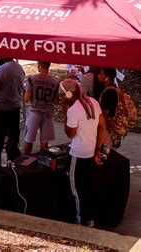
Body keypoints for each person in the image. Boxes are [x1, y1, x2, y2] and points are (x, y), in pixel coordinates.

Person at [59, 78, 106, 227]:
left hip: (78, 156)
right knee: (89, 188)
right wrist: (98, 149)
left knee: (76, 191)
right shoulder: (93, 101)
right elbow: (103, 126)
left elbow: (70, 134)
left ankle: (80, 222)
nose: (60, 98)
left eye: (61, 95)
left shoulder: (73, 110)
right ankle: (90, 219)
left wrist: (65, 112)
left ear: (68, 95)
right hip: (91, 153)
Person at [0, 58, 24, 158]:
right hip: (14, 105)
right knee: (13, 130)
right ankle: (13, 151)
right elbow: (22, 84)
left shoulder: (1, 69)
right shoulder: (19, 68)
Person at [23, 62, 59, 155]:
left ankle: (25, 160)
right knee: (44, 140)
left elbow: (26, 99)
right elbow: (56, 101)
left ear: (39, 66)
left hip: (34, 112)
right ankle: (42, 162)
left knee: (29, 139)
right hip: (48, 113)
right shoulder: (55, 82)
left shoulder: (32, 79)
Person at [98, 68, 119, 148]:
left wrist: (100, 130)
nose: (98, 76)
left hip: (108, 131)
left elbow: (105, 114)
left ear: (107, 77)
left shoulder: (108, 92)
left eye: (101, 74)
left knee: (105, 153)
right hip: (115, 129)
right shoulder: (115, 88)